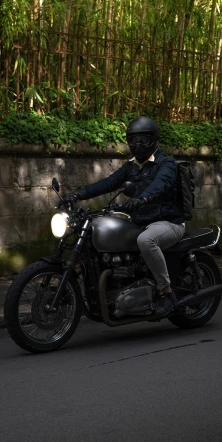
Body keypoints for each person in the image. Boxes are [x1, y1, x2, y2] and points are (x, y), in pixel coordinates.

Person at [62, 116, 185, 318]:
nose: (138, 144)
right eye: (133, 140)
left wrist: (143, 198)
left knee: (146, 240)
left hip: (168, 222)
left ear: (153, 139)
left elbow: (161, 183)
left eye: (143, 139)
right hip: (140, 222)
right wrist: (77, 195)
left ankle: (166, 292)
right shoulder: (131, 166)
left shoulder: (166, 163)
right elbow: (108, 183)